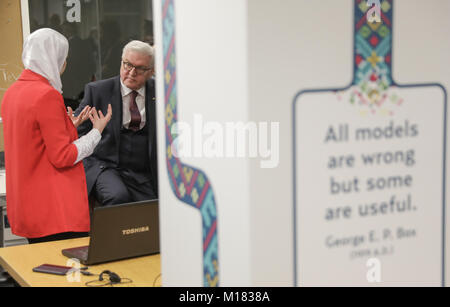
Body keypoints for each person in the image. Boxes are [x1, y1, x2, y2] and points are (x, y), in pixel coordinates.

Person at [1, 28, 112, 244]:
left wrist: (68, 126)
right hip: (55, 210)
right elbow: (63, 157)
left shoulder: (12, 93)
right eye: (64, 58)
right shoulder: (47, 95)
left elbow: (34, 138)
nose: (65, 65)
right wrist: (96, 132)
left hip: (30, 207)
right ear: (52, 58)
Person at [75, 40, 158, 207]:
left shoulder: (160, 91)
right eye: (127, 65)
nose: (132, 72)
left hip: (143, 170)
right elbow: (77, 131)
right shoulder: (98, 91)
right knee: (117, 198)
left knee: (154, 206)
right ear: (121, 62)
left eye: (140, 68)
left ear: (151, 71)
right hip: (106, 165)